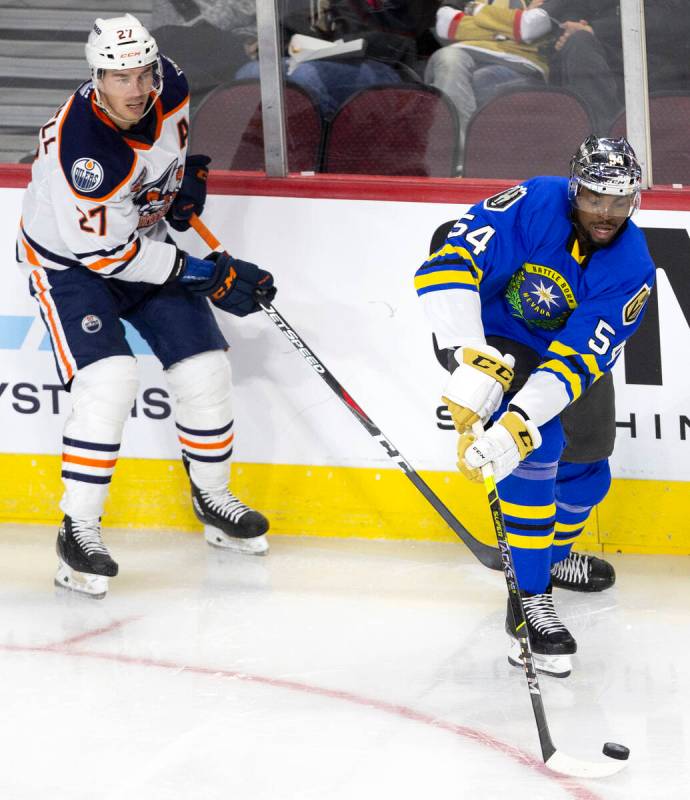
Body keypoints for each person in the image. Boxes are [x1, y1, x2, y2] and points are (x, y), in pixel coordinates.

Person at [16, 14, 277, 599]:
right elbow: (108, 258)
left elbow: (168, 149)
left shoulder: (172, 86)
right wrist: (206, 275)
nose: (136, 89)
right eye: (119, 77)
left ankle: (212, 499)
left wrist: (177, 188)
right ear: (96, 77)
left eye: (142, 73)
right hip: (74, 268)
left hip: (140, 244)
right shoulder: (84, 155)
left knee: (205, 367)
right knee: (109, 380)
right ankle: (77, 530)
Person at [414, 136, 655, 677]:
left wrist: (517, 423)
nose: (608, 213)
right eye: (596, 198)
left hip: (557, 357)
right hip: (490, 337)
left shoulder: (631, 266)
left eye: (621, 201)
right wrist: (470, 358)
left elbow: (576, 362)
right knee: (538, 452)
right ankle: (529, 599)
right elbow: (448, 261)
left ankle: (546, 557)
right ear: (575, 188)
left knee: (590, 472)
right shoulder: (535, 202)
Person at [425, 0, 556, 174]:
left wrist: (473, 9)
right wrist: (506, 31)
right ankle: (456, 157)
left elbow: (527, 27)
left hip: (519, 61)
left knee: (481, 81)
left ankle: (475, 161)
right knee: (447, 59)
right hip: (466, 50)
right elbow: (446, 24)